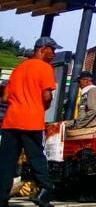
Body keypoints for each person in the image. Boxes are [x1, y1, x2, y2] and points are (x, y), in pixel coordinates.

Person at [0, 37, 61, 207]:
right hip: (31, 121)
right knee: (36, 158)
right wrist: (43, 105)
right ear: (42, 49)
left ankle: (2, 197)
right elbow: (47, 96)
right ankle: (44, 191)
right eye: (52, 49)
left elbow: (5, 97)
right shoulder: (45, 68)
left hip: (10, 121)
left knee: (6, 162)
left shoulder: (18, 69)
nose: (54, 53)